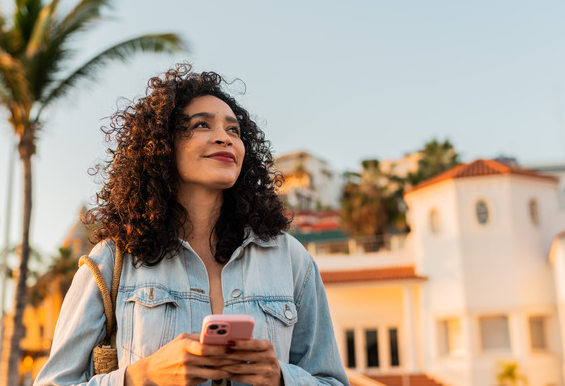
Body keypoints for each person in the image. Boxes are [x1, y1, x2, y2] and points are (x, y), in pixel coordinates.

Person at [35, 64, 349, 386]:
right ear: (162, 146)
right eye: (202, 125)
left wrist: (282, 378)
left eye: (234, 130)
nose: (224, 138)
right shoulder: (112, 260)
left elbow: (333, 380)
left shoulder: (291, 260)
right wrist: (141, 377)